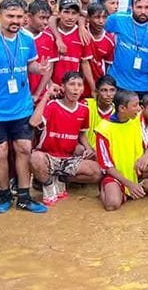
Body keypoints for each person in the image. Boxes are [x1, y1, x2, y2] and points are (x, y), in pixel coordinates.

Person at [0, 0, 48, 215]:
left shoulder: (27, 38)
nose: (15, 21)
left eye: (19, 17)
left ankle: (24, 196)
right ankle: (4, 194)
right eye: (10, 16)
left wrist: (39, 68)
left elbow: (29, 64)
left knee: (24, 149)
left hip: (21, 106)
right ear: (0, 16)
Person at [29, 72, 102, 204]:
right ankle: (48, 183)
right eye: (72, 84)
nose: (76, 88)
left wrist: (88, 148)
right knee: (35, 158)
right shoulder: (53, 105)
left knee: (96, 171)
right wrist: (46, 95)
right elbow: (34, 122)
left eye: (79, 85)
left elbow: (81, 133)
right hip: (48, 156)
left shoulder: (84, 109)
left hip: (68, 158)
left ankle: (61, 178)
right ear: (63, 87)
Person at [94, 90, 148, 210]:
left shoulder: (136, 120)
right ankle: (113, 188)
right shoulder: (103, 129)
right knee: (112, 205)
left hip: (135, 171)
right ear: (122, 108)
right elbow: (107, 166)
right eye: (135, 105)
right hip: (116, 176)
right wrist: (129, 184)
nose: (139, 109)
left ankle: (138, 185)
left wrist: (145, 157)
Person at [51, 0, 94, 90]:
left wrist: (93, 87)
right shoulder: (49, 32)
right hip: (51, 88)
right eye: (66, 12)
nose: (70, 17)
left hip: (71, 88)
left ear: (79, 15)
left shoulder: (83, 34)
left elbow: (85, 63)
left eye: (74, 13)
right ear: (59, 13)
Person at [26, 0, 58, 101]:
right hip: (21, 94)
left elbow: (49, 69)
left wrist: (37, 94)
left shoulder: (49, 38)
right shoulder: (19, 36)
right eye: (41, 18)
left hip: (40, 95)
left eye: (47, 18)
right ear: (29, 17)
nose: (45, 22)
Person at [86, 74, 117, 150]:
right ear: (96, 92)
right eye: (104, 90)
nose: (108, 94)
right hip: (86, 149)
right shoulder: (85, 105)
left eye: (112, 90)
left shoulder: (119, 112)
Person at [86, 3, 115, 82]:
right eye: (97, 17)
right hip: (79, 82)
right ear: (88, 18)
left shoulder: (109, 40)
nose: (101, 21)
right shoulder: (83, 31)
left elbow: (107, 64)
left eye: (104, 17)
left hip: (97, 81)